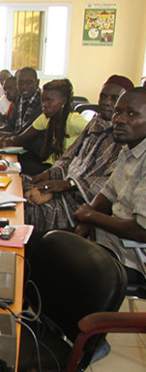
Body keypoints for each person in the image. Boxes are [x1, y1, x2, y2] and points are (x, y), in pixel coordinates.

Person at [24, 75, 133, 232]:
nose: (106, 102)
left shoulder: (125, 137)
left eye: (114, 98)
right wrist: (50, 175)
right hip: (64, 186)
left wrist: (67, 185)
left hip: (81, 201)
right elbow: (70, 156)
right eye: (103, 96)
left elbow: (110, 185)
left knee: (25, 208)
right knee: (18, 184)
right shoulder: (95, 124)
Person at [74, 87, 146, 282]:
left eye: (132, 114)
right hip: (110, 242)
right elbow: (108, 193)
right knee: (43, 244)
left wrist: (91, 216)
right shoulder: (127, 152)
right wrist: (85, 222)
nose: (120, 119)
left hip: (133, 259)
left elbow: (141, 231)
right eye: (118, 112)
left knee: (64, 269)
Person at [0, 79, 88, 175]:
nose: (45, 105)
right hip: (50, 164)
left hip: (64, 169)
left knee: (20, 166)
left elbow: (96, 134)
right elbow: (22, 138)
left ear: (63, 101)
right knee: (18, 161)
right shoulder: (46, 118)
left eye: (49, 101)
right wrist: (6, 141)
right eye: (43, 101)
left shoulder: (74, 121)